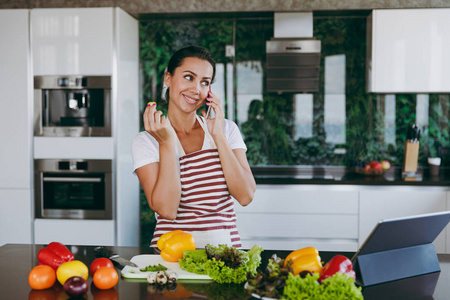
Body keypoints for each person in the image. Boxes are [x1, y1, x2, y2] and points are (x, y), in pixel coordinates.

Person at [131, 45, 256, 248]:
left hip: (224, 257)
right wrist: (166, 143)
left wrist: (218, 137)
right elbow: (167, 209)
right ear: (168, 78)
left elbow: (245, 196)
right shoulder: (147, 141)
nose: (196, 89)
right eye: (189, 77)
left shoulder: (226, 129)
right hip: (171, 259)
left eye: (204, 82)